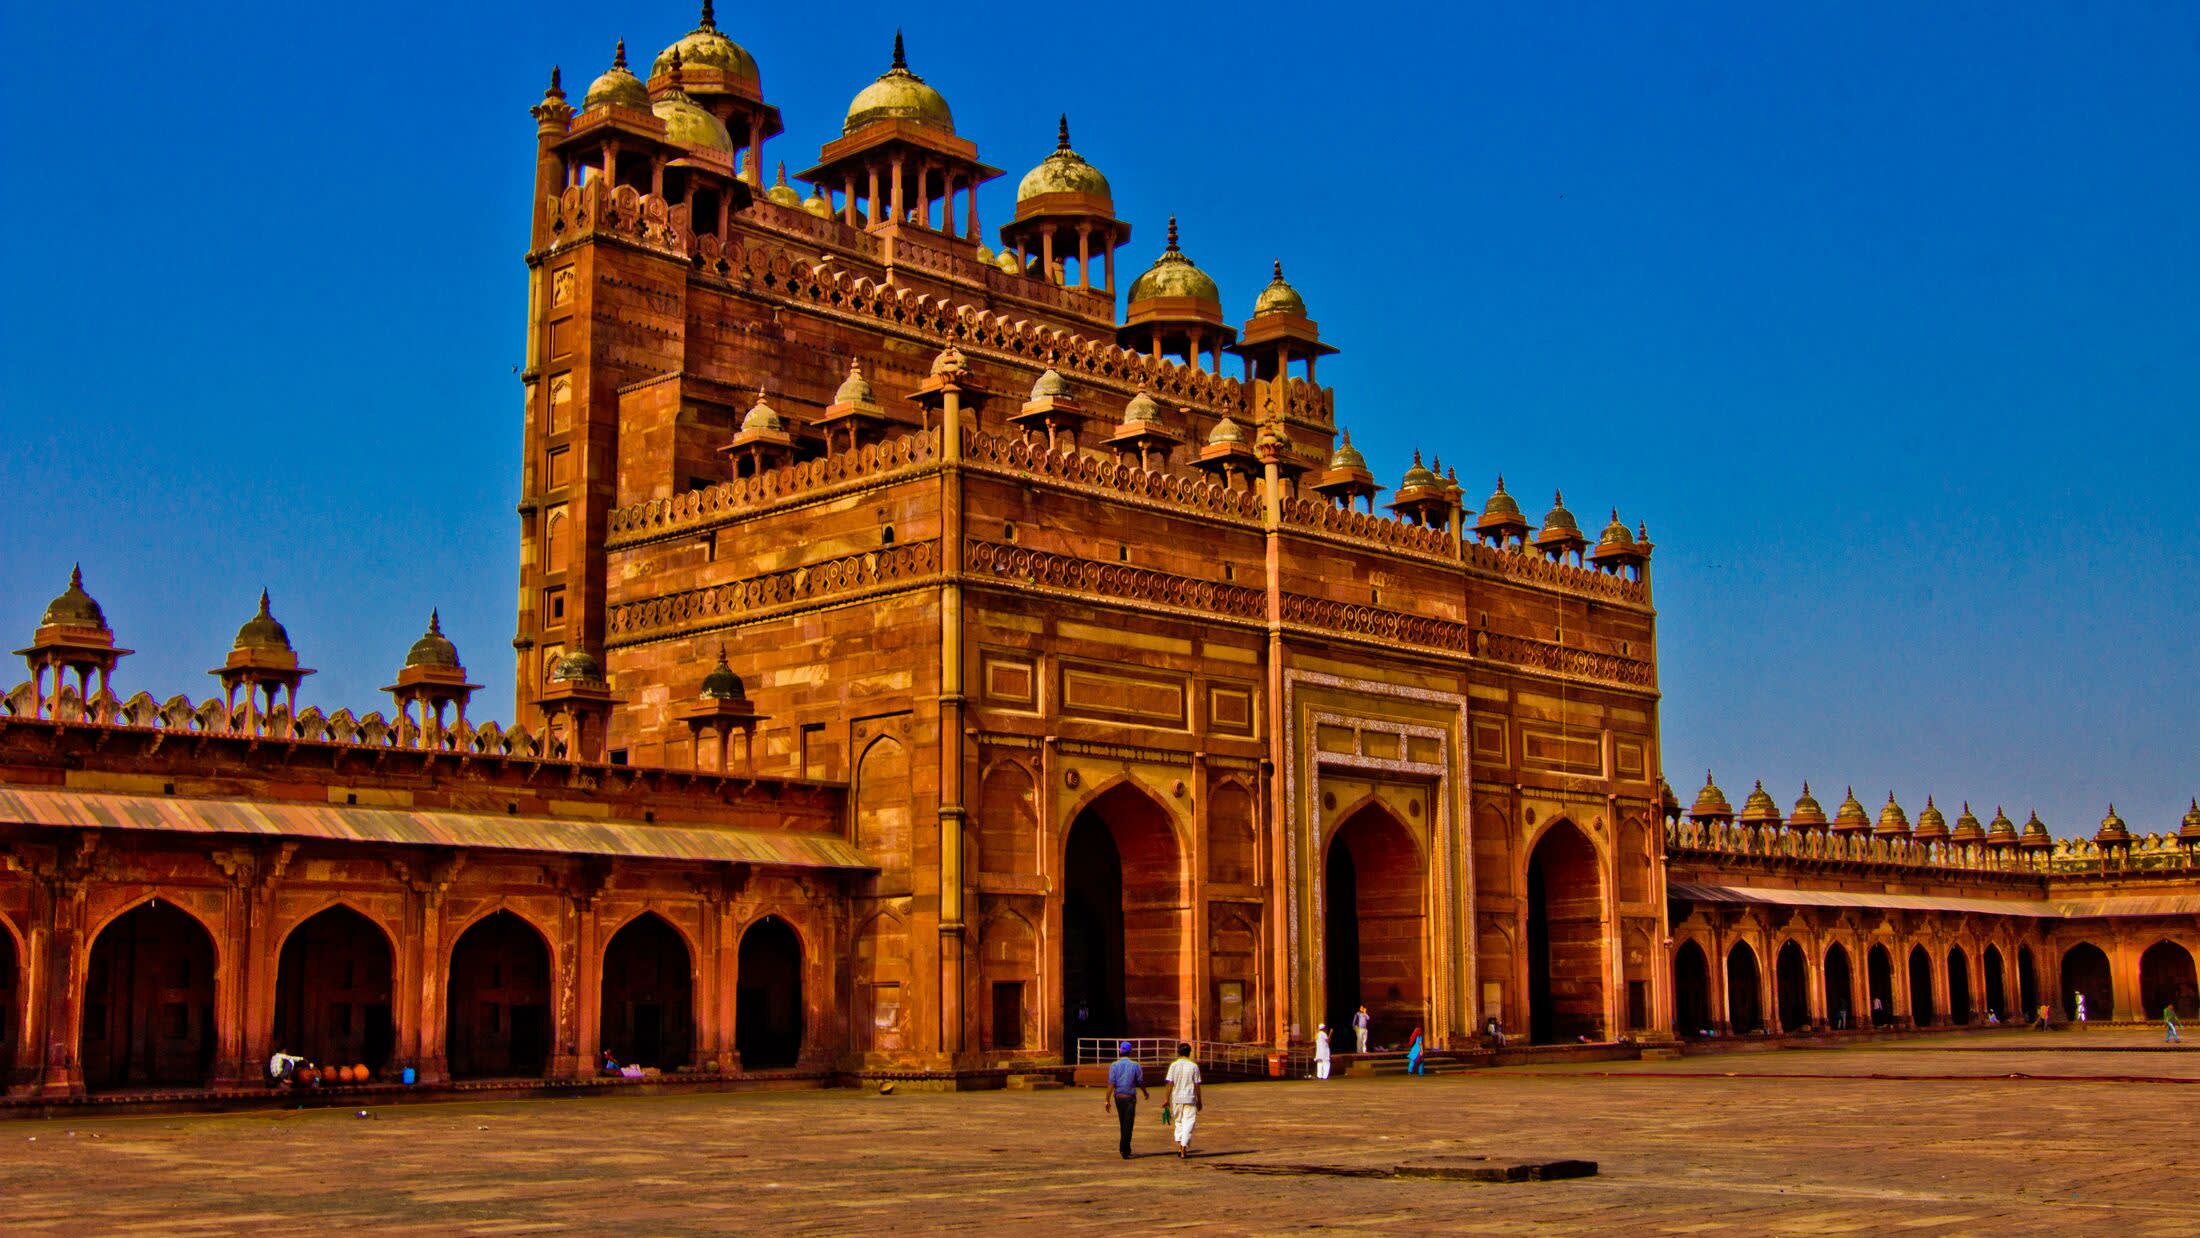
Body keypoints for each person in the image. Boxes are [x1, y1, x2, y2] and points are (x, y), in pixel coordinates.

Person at [1102, 1041, 1148, 1159]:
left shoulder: (1114, 1065)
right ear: (1130, 1052)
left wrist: (1107, 1099)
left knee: (1122, 1122)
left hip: (1118, 1097)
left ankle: (1125, 1147)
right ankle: (1124, 1148)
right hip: (1130, 1097)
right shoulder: (1135, 1065)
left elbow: (1111, 1083)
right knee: (1128, 1123)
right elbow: (1140, 1081)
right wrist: (1145, 1092)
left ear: (1120, 1051)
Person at [1164, 1042, 1203, 1159]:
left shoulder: (1173, 1065)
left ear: (1178, 1052)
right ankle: (1183, 1146)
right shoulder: (1193, 1066)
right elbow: (1197, 1085)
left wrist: (1166, 1099)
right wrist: (1199, 1100)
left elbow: (1170, 1083)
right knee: (1189, 1122)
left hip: (1176, 1098)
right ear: (1189, 1053)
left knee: (1179, 1122)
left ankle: (1180, 1145)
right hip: (1190, 1097)